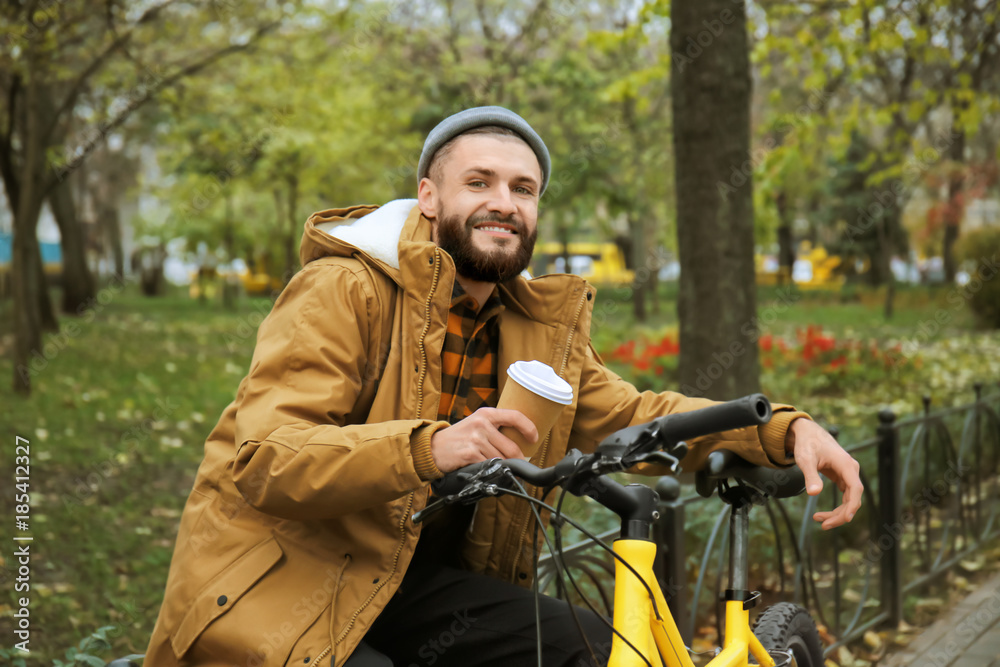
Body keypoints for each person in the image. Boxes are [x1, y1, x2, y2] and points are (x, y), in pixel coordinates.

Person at [145, 106, 863, 667]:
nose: (503, 202)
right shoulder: (343, 289)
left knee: (592, 644)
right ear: (428, 195)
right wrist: (431, 448)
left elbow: (633, 415)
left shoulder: (532, 326)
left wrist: (780, 428)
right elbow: (270, 457)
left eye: (523, 189)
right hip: (291, 580)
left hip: (413, 586)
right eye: (479, 182)